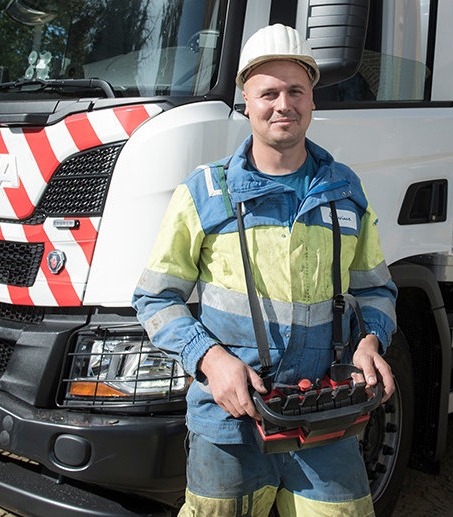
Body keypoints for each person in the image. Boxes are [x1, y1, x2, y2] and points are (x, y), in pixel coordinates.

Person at [133, 23, 397, 517]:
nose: (284, 104)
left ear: (312, 100)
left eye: (296, 90)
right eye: (268, 92)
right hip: (229, 424)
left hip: (325, 417)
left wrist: (371, 341)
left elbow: (377, 289)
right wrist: (210, 360)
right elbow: (154, 297)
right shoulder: (206, 193)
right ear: (246, 103)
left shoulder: (345, 192)